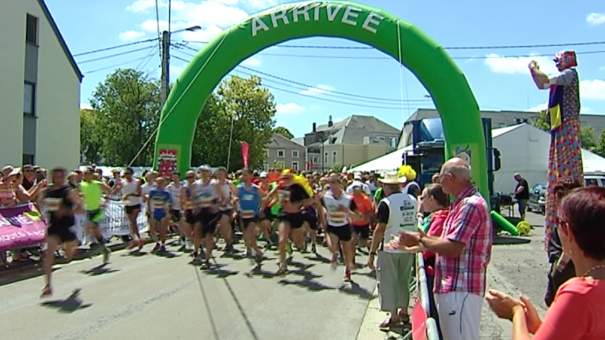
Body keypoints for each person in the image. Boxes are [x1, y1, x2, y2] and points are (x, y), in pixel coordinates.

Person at [486, 186, 605, 340]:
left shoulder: (579, 294)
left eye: (558, 221)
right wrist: (538, 327)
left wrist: (516, 313)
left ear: (567, 230)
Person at [399, 157, 493, 340]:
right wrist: (421, 239)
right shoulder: (462, 204)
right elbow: (447, 241)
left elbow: (452, 247)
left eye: (440, 176)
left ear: (451, 178)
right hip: (455, 289)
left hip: (460, 289)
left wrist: (419, 239)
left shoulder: (470, 204)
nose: (437, 179)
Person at [528, 51, 583, 250]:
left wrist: (535, 69)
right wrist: (534, 72)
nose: (557, 64)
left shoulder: (570, 74)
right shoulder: (562, 79)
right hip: (558, 127)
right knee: (557, 166)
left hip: (566, 125)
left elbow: (545, 80)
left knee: (566, 166)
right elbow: (542, 84)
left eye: (558, 61)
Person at [367, 171, 417, 328]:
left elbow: (380, 229)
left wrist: (372, 252)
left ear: (386, 186)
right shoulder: (413, 200)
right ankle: (404, 310)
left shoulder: (386, 203)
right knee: (404, 281)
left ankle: (394, 315)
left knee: (389, 282)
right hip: (408, 246)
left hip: (389, 247)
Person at [39, 168, 81, 297]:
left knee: (68, 256)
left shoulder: (68, 192)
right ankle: (48, 285)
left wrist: (66, 212)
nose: (58, 179)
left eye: (61, 177)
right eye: (56, 176)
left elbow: (81, 208)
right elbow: (39, 201)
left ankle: (72, 248)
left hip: (67, 226)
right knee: (49, 253)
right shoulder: (47, 191)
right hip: (54, 226)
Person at [544, 177, 582, 306]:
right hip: (562, 286)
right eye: (559, 203)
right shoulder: (559, 228)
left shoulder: (590, 224)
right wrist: (566, 253)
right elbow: (555, 268)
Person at [270, 169, 313, 275]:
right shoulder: (280, 188)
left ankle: (303, 238)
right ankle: (282, 264)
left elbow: (310, 199)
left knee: (298, 244)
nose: (285, 180)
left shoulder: (298, 188)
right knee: (282, 239)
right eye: (283, 178)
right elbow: (272, 197)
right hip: (284, 214)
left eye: (287, 178)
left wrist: (300, 205)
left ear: (291, 178)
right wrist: (268, 202)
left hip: (296, 215)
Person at [319, 174, 359, 281]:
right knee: (331, 245)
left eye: (334, 183)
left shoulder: (348, 199)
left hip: (344, 226)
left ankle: (348, 271)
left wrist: (346, 211)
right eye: (330, 183)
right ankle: (335, 255)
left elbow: (357, 216)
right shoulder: (326, 197)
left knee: (347, 251)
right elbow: (319, 205)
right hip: (332, 225)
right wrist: (323, 215)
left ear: (340, 184)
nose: (331, 185)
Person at [79, 168, 114, 264]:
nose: (86, 176)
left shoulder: (98, 184)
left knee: (92, 226)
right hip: (88, 210)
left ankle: (102, 247)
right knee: (94, 231)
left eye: (87, 174)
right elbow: (77, 194)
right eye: (84, 174)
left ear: (91, 174)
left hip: (98, 209)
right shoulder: (82, 185)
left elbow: (110, 190)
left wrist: (105, 198)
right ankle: (104, 249)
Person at [235, 168, 264, 264]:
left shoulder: (256, 188)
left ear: (251, 176)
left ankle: (256, 251)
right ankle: (254, 250)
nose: (244, 177)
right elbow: (234, 198)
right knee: (246, 234)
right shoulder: (239, 188)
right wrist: (234, 203)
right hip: (243, 214)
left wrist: (261, 208)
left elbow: (264, 198)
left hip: (253, 214)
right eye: (243, 175)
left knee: (249, 233)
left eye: (246, 175)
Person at [148, 177, 172, 253]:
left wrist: (167, 213)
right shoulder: (152, 191)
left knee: (162, 230)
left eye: (161, 182)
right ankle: (157, 242)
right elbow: (149, 200)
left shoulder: (166, 192)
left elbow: (168, 203)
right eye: (158, 182)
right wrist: (149, 210)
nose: (159, 184)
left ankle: (163, 244)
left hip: (163, 211)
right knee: (151, 230)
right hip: (154, 211)